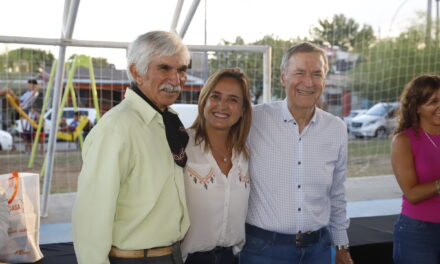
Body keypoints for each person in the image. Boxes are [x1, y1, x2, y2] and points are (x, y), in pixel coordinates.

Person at [72, 30, 191, 264]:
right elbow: (91, 216)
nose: (176, 79)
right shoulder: (117, 127)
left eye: (182, 69)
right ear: (137, 72)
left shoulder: (168, 120)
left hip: (171, 254)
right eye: (165, 68)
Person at [240, 42, 353, 264]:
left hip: (318, 251)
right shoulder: (253, 120)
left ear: (325, 79)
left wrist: (341, 246)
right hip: (263, 251)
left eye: (317, 74)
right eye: (299, 73)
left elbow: (337, 194)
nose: (308, 82)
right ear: (283, 77)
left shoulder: (337, 128)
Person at [181, 68, 252, 264]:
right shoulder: (182, 145)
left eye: (233, 99)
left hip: (231, 258)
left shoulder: (245, 153)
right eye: (216, 96)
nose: (222, 106)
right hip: (189, 259)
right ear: (204, 100)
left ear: (243, 109)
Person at [391, 74, 440, 264]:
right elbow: (412, 193)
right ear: (417, 107)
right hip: (417, 232)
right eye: (433, 101)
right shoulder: (403, 140)